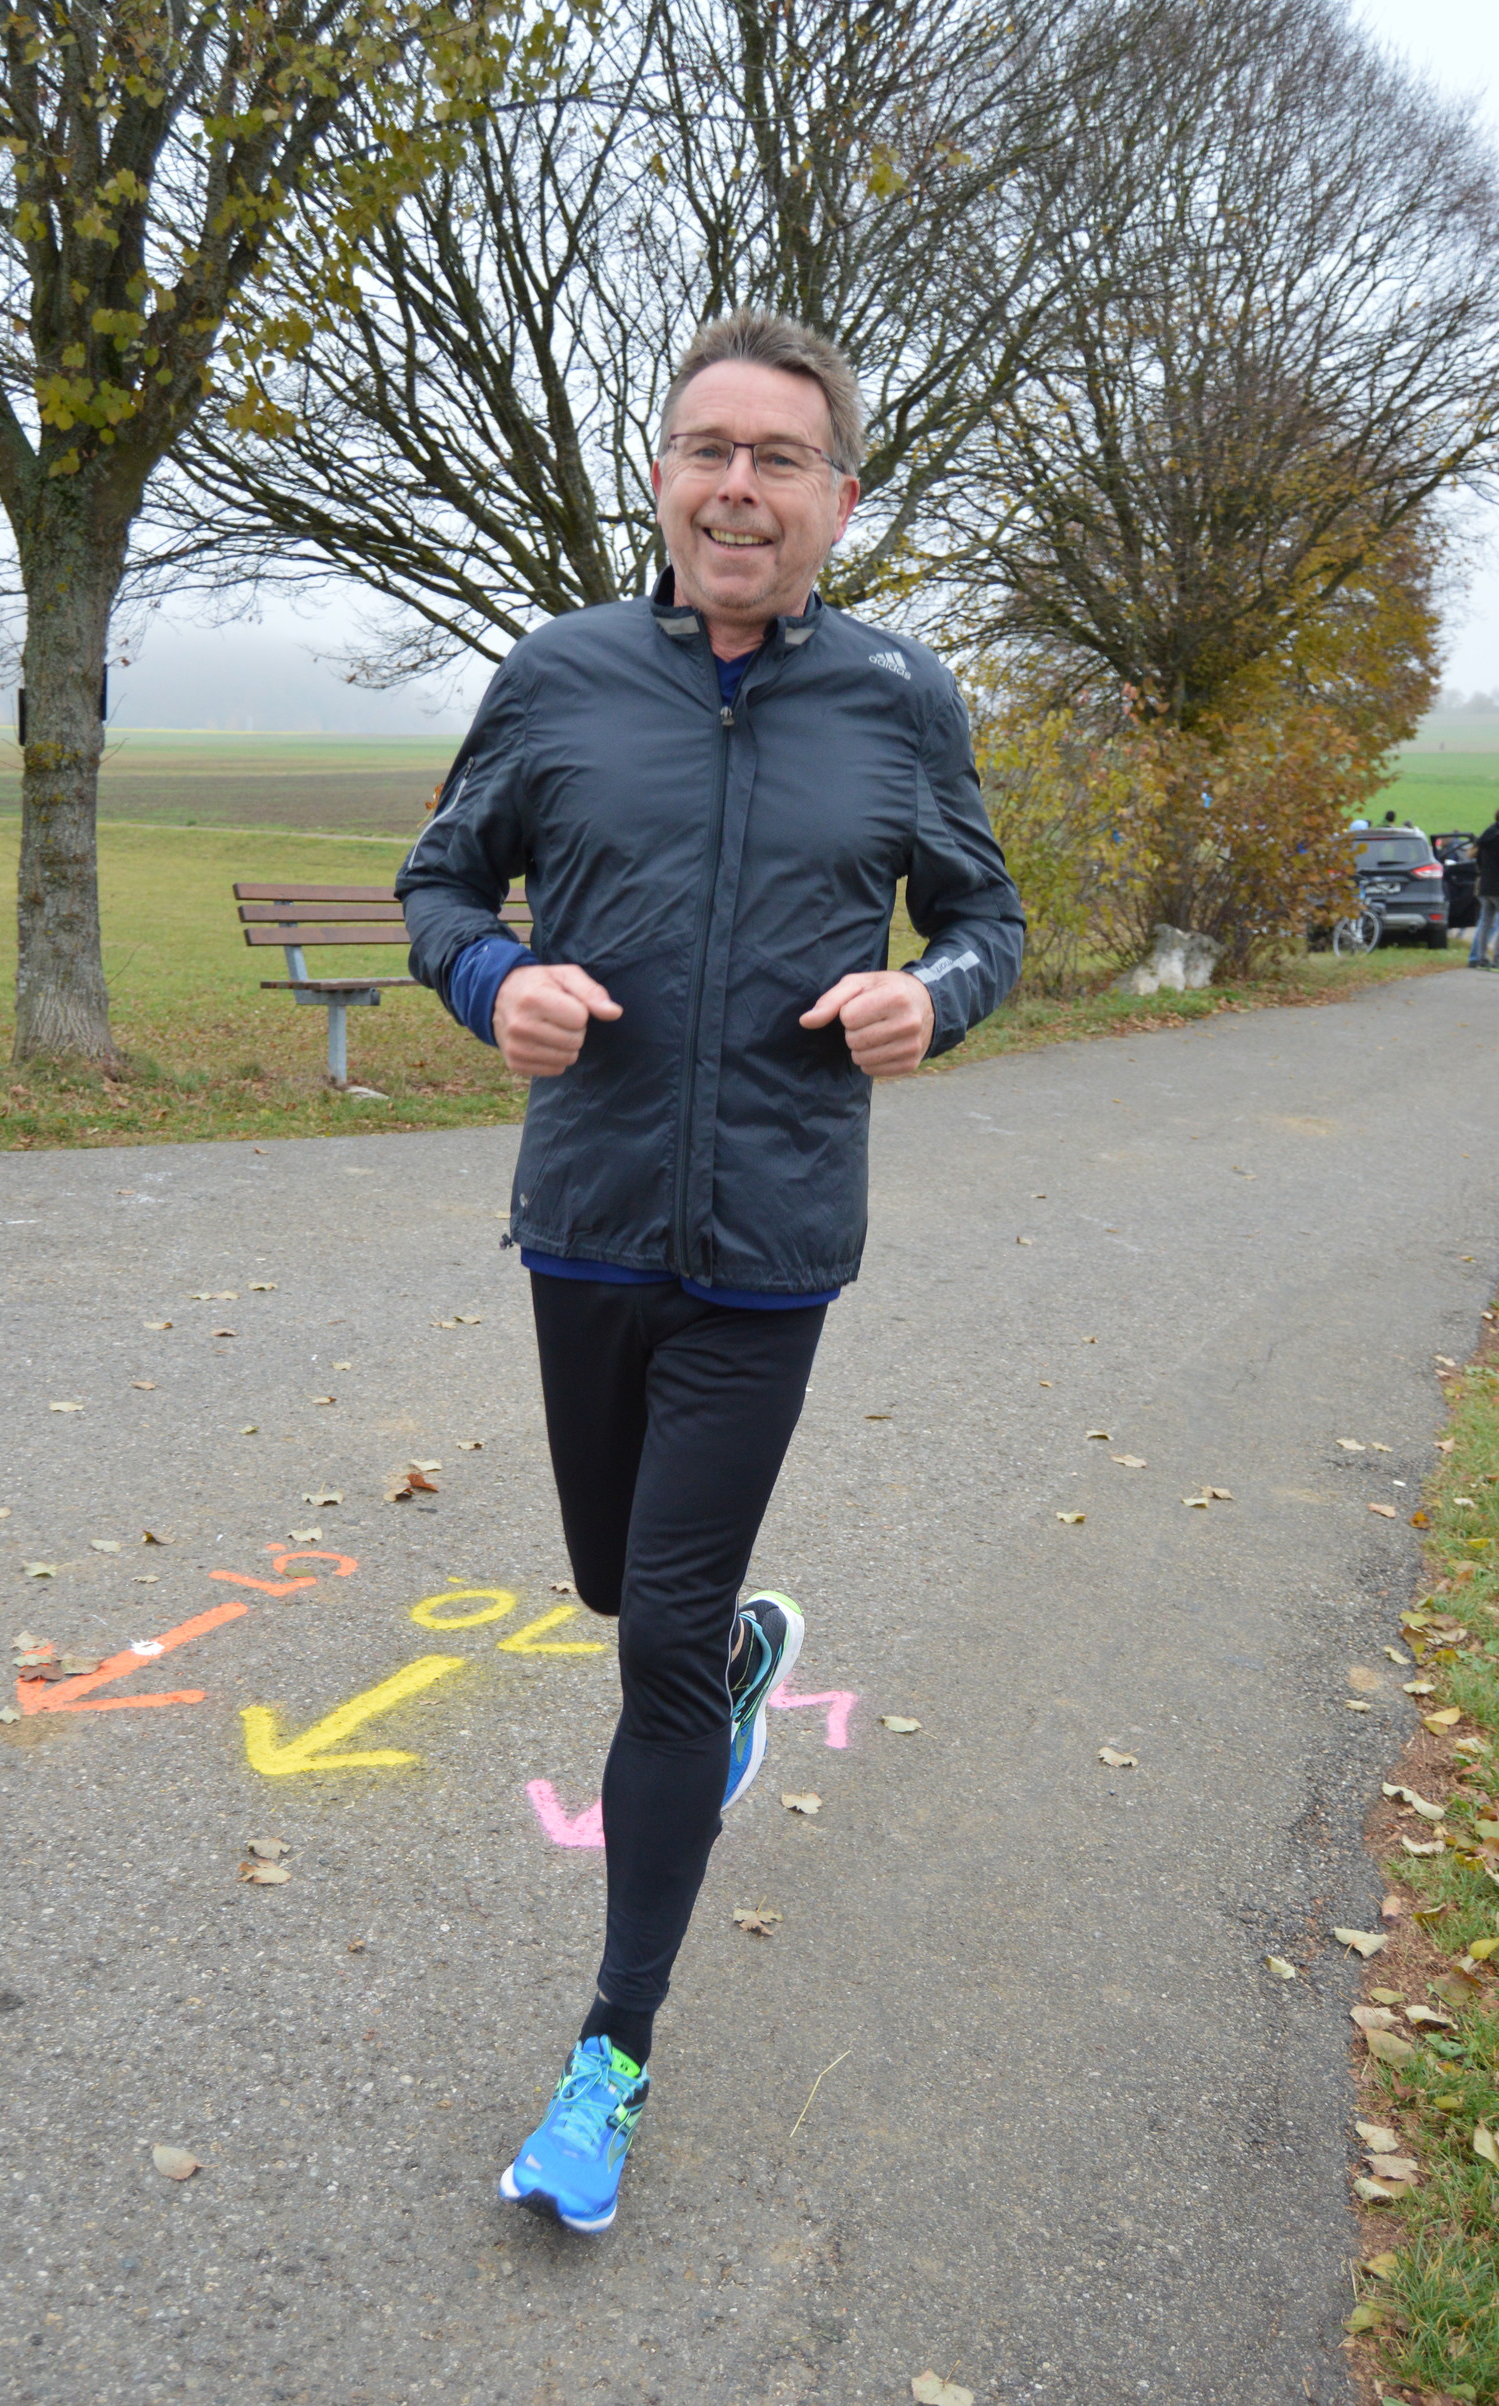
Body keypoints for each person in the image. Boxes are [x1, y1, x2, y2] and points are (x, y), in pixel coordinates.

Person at [396, 309, 1024, 2232]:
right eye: (708, 451)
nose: (739, 488)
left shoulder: (901, 701)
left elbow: (987, 920)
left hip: (771, 1249)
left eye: (779, 458)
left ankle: (610, 2056)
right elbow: (441, 884)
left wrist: (935, 995)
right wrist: (494, 979)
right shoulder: (559, 676)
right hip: (585, 1222)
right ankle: (740, 1646)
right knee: (616, 1583)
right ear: (665, 477)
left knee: (652, 1638)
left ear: (841, 497)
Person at [1470, 810, 1499, 967]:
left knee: (1485, 922)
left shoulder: (1486, 836)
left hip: (1485, 885)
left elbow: (1479, 861)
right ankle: (1497, 958)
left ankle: (1480, 957)